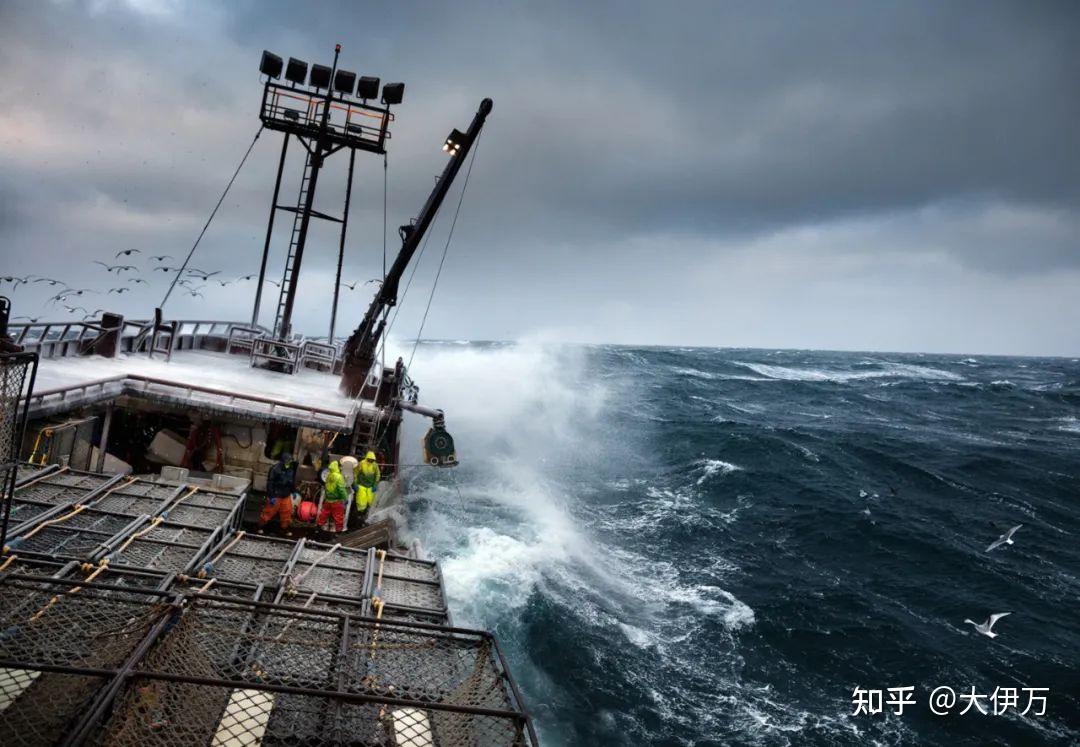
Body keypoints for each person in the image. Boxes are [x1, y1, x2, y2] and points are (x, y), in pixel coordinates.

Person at [258, 452, 297, 536]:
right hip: (276, 495)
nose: (289, 462)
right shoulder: (275, 469)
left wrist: (293, 491)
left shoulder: (291, 469)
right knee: (268, 512)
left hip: (286, 495)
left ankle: (284, 529)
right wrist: (271, 496)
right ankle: (260, 527)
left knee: (287, 512)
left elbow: (292, 481)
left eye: (290, 461)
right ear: (283, 461)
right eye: (288, 461)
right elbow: (270, 483)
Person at [317, 460, 349, 533]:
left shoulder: (329, 476)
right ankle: (339, 532)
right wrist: (345, 498)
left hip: (328, 499)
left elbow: (326, 486)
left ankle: (318, 526)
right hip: (336, 500)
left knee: (324, 514)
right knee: (338, 516)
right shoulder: (339, 477)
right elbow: (341, 489)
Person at [353, 451, 381, 523]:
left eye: (372, 459)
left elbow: (377, 474)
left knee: (371, 502)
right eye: (370, 459)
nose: (371, 460)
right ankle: (359, 515)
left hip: (371, 486)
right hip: (361, 485)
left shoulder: (375, 465)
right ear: (367, 458)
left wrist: (375, 484)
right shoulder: (361, 463)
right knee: (361, 502)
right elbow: (355, 473)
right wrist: (355, 484)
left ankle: (367, 516)